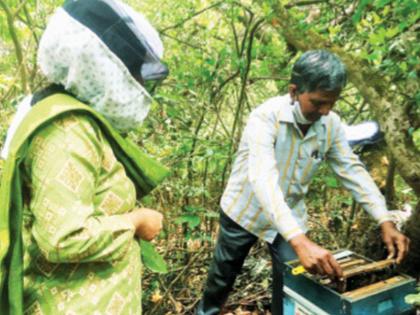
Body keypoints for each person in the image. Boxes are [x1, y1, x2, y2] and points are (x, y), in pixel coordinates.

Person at [197, 50, 410, 315]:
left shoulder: (330, 124)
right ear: (294, 91)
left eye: (332, 103)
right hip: (245, 211)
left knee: (294, 283)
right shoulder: (265, 118)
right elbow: (263, 178)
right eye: (318, 103)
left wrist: (384, 219)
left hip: (290, 218)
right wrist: (300, 241)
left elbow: (351, 170)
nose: (325, 111)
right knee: (221, 279)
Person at [0, 0, 170, 314]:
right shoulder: (67, 130)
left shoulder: (64, 114)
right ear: (104, 68)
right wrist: (134, 221)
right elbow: (63, 238)